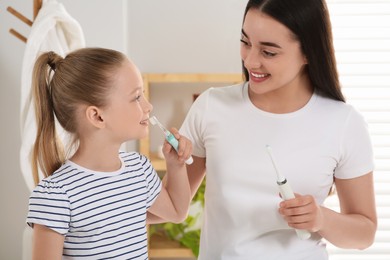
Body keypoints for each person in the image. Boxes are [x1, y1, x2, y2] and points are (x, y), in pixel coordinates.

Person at [179, 0, 377, 259]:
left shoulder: (343, 123)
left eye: (268, 52)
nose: (250, 61)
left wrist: (321, 218)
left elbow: (364, 234)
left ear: (309, 52)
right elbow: (172, 205)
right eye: (245, 42)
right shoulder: (212, 107)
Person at [26, 47, 193, 259]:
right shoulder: (56, 195)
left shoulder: (139, 170)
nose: (148, 106)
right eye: (136, 97)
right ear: (97, 116)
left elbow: (177, 212)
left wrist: (175, 164)